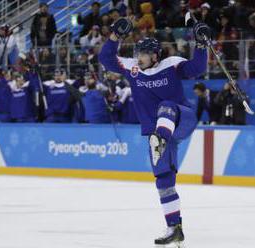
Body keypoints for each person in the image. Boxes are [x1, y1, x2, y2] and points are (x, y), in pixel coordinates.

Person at [99, 18, 210, 246]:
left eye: (144, 54)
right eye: (137, 53)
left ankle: (160, 138)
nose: (139, 57)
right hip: (157, 133)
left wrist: (201, 44)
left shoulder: (170, 64)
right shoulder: (133, 68)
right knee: (163, 181)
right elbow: (105, 59)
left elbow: (197, 68)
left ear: (156, 56)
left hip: (181, 118)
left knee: (165, 107)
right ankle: (174, 227)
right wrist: (114, 37)